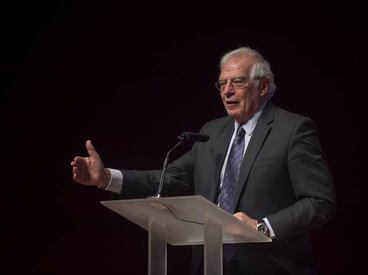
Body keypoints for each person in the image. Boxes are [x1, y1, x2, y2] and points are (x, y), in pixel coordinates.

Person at [71, 46, 336, 275]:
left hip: (269, 265)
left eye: (238, 82)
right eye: (222, 84)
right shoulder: (212, 131)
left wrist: (262, 227)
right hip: (211, 264)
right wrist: (106, 178)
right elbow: (170, 179)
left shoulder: (293, 130)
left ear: (263, 86)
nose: (227, 91)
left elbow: (320, 202)